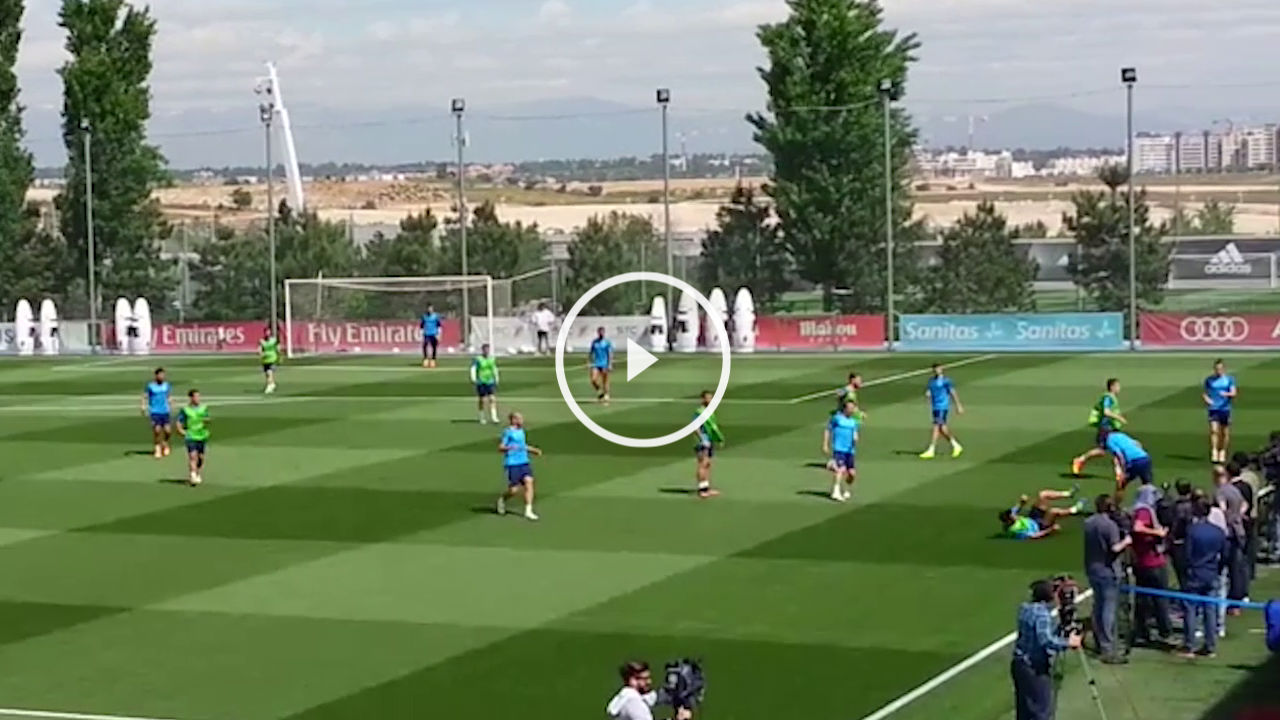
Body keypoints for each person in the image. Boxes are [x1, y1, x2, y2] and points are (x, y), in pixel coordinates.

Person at [1011, 579, 1081, 720]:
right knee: (1041, 711)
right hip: (1034, 667)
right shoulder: (1042, 614)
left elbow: (1040, 634)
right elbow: (1046, 640)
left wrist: (1061, 628)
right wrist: (1069, 642)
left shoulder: (1025, 608)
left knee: (1024, 711)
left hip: (1019, 665)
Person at [1083, 494, 1132, 663]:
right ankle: (1107, 648)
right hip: (1108, 571)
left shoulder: (1088, 523)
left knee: (1098, 605)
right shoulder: (1109, 526)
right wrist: (1126, 541)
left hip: (1092, 568)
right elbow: (1114, 548)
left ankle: (1099, 641)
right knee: (1108, 610)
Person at [1181, 497, 1226, 658]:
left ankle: (1189, 645)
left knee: (1190, 609)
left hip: (1195, 572)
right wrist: (1217, 569)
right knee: (1210, 610)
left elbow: (1187, 554)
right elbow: (1224, 554)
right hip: (1211, 572)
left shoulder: (1192, 531)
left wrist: (1187, 568)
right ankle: (1210, 645)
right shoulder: (1218, 531)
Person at [1129, 484, 1174, 647]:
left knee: (1143, 599)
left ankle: (1141, 631)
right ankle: (1165, 631)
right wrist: (1158, 533)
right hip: (1152, 562)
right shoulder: (1144, 511)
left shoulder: (1137, 510)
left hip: (1142, 562)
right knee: (1159, 598)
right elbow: (1138, 527)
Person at [1213, 465, 1250, 615]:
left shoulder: (1221, 492)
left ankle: (1219, 601)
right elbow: (1245, 504)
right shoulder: (1235, 490)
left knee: (1220, 568)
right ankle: (1236, 603)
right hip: (1238, 531)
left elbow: (1222, 509)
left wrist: (1227, 518)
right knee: (1236, 569)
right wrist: (1238, 516)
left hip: (1227, 533)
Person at [1072, 378, 1127, 477]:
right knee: (1101, 451)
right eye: (1117, 386)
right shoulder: (1108, 398)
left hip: (1113, 428)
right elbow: (1106, 412)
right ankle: (1081, 459)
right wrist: (1119, 418)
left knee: (1117, 450)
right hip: (1106, 428)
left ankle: (1119, 474)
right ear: (1112, 387)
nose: (1119, 388)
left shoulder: (1112, 398)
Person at [606, 661, 693, 720]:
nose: (649, 682)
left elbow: (651, 698)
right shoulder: (633, 703)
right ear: (632, 680)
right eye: (645, 679)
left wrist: (671, 691)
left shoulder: (626, 695)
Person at [497, 412, 541, 521]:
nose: (522, 420)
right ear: (513, 420)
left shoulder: (521, 431)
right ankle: (502, 500)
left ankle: (528, 510)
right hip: (512, 463)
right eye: (519, 418)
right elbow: (501, 447)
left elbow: (522, 445)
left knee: (529, 482)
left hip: (524, 462)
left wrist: (533, 450)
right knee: (514, 490)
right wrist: (510, 447)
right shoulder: (508, 432)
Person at [999, 487, 1087, 540]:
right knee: (1053, 511)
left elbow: (1017, 507)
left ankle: (1068, 494)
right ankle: (1074, 510)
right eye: (1012, 516)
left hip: (1032, 518)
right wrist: (1050, 530)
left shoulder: (1012, 515)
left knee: (1042, 495)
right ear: (1009, 521)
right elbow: (1033, 536)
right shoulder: (1015, 531)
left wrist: (1022, 502)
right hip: (1039, 526)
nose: (1015, 515)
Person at [920, 363, 964, 460]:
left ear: (941, 369)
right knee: (942, 429)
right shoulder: (931, 381)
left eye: (938, 369)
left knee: (936, 426)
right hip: (935, 407)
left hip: (942, 407)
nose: (936, 371)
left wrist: (958, 405)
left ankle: (931, 450)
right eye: (934, 369)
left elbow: (952, 392)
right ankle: (956, 445)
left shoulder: (946, 381)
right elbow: (929, 391)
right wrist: (928, 395)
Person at [823, 401, 861, 503]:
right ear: (845, 409)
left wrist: (856, 438)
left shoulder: (854, 422)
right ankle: (835, 491)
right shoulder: (837, 418)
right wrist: (825, 444)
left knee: (852, 474)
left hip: (850, 450)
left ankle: (847, 489)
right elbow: (828, 429)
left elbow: (855, 432)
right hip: (839, 449)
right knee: (841, 469)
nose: (852, 410)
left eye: (853, 408)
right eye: (850, 408)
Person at [1202, 359, 1238, 464]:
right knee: (1214, 430)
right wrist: (1207, 400)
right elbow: (1205, 393)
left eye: (1220, 369)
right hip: (1214, 409)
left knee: (1224, 432)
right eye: (1217, 369)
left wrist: (1226, 394)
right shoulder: (1209, 380)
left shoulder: (1229, 380)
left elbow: (1233, 393)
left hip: (1225, 408)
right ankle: (1214, 451)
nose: (1218, 371)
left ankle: (1222, 450)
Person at [175, 389, 210, 487]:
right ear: (191, 398)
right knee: (192, 456)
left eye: (199, 396)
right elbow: (179, 421)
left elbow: (207, 418)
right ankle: (193, 475)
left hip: (202, 435)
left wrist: (206, 420)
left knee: (201, 458)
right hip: (191, 435)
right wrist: (181, 430)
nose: (198, 399)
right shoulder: (186, 410)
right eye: (196, 396)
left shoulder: (203, 408)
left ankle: (197, 472)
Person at [693, 390, 724, 499]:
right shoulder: (699, 412)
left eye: (711, 398)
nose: (710, 400)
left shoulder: (710, 411)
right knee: (702, 464)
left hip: (709, 440)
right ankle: (701, 489)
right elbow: (695, 427)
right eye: (708, 398)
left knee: (708, 464)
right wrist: (702, 439)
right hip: (703, 441)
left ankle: (706, 488)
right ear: (703, 399)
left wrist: (717, 439)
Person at [1168, 480, 1198, 590]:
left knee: (1182, 573)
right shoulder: (1195, 504)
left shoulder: (1175, 506)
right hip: (1194, 541)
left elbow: (1174, 525)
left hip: (1179, 542)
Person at [1104, 430, 1152, 494]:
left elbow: (1120, 456)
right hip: (1145, 458)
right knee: (1147, 484)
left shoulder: (1109, 441)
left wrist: (1123, 471)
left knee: (1121, 485)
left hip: (1134, 462)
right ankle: (1150, 501)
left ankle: (1115, 503)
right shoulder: (1120, 435)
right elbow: (1137, 443)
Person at [141, 367, 172, 459]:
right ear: (156, 376)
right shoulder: (150, 386)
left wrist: (171, 402)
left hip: (165, 411)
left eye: (163, 375)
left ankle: (165, 443)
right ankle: (157, 447)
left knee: (168, 431)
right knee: (157, 430)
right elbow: (145, 396)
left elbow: (168, 396)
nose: (162, 377)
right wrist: (143, 406)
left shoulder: (166, 385)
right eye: (160, 375)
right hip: (155, 411)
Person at [470, 343, 501, 424]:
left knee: (492, 398)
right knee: (482, 400)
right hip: (481, 381)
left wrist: (496, 378)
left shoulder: (492, 359)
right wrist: (473, 378)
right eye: (485, 349)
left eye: (488, 349)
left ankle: (494, 417)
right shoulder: (478, 359)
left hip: (490, 381)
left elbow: (494, 368)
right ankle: (482, 416)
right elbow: (473, 368)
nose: (487, 351)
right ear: (483, 350)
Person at [588, 327, 614, 404]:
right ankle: (599, 391)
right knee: (593, 380)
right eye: (600, 332)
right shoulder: (594, 342)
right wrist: (589, 361)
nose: (601, 334)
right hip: (596, 363)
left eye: (602, 332)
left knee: (605, 381)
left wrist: (610, 364)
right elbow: (591, 353)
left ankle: (606, 394)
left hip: (604, 364)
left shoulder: (607, 342)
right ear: (598, 333)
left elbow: (610, 354)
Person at [260, 327, 280, 394]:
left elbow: (278, 348)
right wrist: (261, 353)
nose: (267, 333)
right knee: (267, 374)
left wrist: (279, 356)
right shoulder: (262, 341)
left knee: (269, 373)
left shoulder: (274, 340)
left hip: (272, 359)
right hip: (265, 360)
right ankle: (272, 384)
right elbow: (260, 349)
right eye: (266, 332)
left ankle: (269, 386)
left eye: (268, 332)